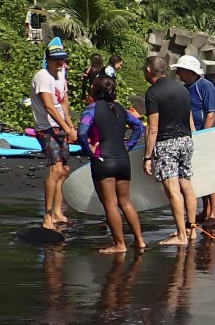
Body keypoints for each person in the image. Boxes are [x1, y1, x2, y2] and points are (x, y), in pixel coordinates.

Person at [77, 75, 146, 253]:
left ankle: (120, 245)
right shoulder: (121, 110)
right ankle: (139, 241)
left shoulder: (90, 110)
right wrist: (129, 145)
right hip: (123, 159)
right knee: (125, 202)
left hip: (103, 160)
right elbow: (139, 127)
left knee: (109, 204)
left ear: (95, 90)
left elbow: (82, 131)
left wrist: (87, 150)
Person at [141, 55, 197, 246]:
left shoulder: (153, 93)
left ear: (149, 70)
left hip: (167, 143)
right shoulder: (182, 89)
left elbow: (153, 128)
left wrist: (147, 157)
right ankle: (191, 230)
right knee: (186, 186)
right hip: (186, 140)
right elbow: (189, 119)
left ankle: (181, 236)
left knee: (172, 190)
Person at [30, 41, 78, 229]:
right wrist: (66, 129)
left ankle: (58, 212)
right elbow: (49, 106)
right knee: (55, 170)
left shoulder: (61, 74)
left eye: (62, 60)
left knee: (64, 170)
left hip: (61, 127)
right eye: (56, 60)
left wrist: (70, 124)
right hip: (46, 128)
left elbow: (63, 103)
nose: (60, 63)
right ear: (48, 59)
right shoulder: (42, 76)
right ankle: (47, 215)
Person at [174, 55, 215, 226]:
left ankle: (214, 214)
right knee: (197, 174)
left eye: (179, 69)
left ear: (188, 71)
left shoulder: (205, 85)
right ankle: (205, 210)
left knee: (208, 174)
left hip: (203, 134)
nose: (177, 73)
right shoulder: (185, 89)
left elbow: (211, 113)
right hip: (190, 135)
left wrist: (204, 137)